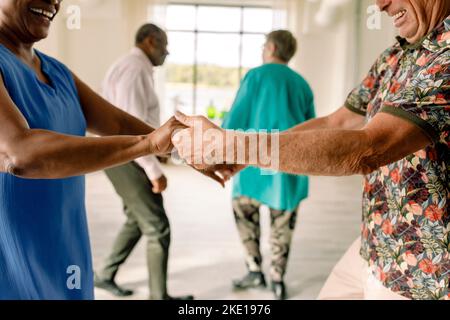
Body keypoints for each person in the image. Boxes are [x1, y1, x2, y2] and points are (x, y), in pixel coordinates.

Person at [172, 0, 450, 300]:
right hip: (376, 242)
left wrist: (231, 144)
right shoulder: (394, 55)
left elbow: (371, 147)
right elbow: (337, 120)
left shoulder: (445, 57)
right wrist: (240, 156)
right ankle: (275, 277)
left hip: (423, 269)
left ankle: (256, 269)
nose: (380, 5)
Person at [0, 0, 222, 300]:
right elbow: (20, 153)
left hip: (65, 241)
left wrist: (188, 149)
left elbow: (116, 122)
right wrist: (148, 145)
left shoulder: (58, 72)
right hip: (14, 255)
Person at [94, 24, 193, 300]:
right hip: (126, 157)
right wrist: (154, 170)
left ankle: (104, 275)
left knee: (138, 219)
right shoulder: (135, 70)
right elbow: (132, 131)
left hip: (121, 154)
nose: (167, 52)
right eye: (165, 45)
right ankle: (158, 297)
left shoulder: (131, 67)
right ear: (150, 41)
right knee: (157, 227)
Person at [222, 30, 316, 300]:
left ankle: (254, 270)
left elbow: (234, 120)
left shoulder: (256, 75)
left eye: (265, 46)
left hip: (253, 164)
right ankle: (277, 279)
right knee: (282, 225)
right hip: (288, 166)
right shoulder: (301, 84)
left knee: (245, 216)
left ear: (272, 47)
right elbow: (313, 127)